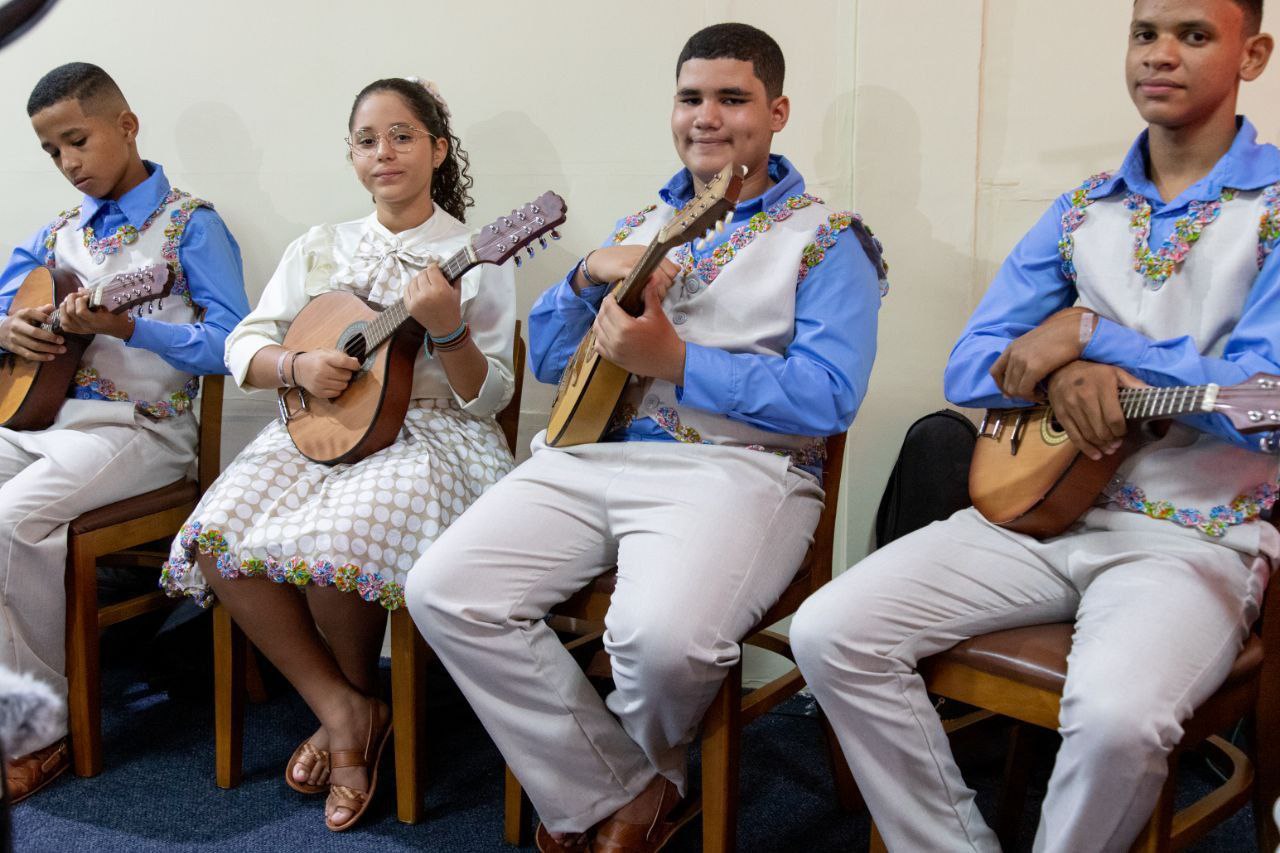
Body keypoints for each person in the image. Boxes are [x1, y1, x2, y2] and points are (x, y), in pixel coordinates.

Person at [791, 1, 1279, 850]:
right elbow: (969, 363)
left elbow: (1263, 398)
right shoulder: (1081, 211)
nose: (1160, 55)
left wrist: (1093, 336)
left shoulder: (1271, 212)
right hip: (1037, 514)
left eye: (1193, 35)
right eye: (1144, 33)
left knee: (1120, 718)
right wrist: (1067, 369)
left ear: (1254, 54)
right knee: (830, 631)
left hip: (1195, 538)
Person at [407, 23, 886, 853]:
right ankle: (625, 790)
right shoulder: (641, 220)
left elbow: (830, 397)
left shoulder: (830, 239)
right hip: (593, 454)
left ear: (776, 112)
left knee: (659, 639)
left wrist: (677, 360)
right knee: (444, 588)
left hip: (744, 470)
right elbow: (556, 361)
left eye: (732, 98)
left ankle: (628, 785)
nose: (706, 116)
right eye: (690, 97)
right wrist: (588, 270)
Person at [158, 77, 516, 831]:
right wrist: (297, 368)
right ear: (351, 156)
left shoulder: (472, 253)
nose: (383, 152)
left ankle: (347, 725)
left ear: (437, 149)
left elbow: (489, 396)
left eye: (403, 135)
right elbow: (242, 342)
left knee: (337, 542)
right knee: (217, 537)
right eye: (366, 139)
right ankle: (346, 707)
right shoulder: (320, 245)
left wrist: (446, 329)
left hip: (432, 436)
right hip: (319, 426)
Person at [0, 62, 248, 803]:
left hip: (141, 430)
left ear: (126, 125)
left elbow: (233, 343)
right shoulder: (56, 234)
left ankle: (37, 728)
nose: (68, 163)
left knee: (11, 521)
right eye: (52, 152)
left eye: (77, 141)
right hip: (49, 421)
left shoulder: (190, 225)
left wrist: (131, 327)